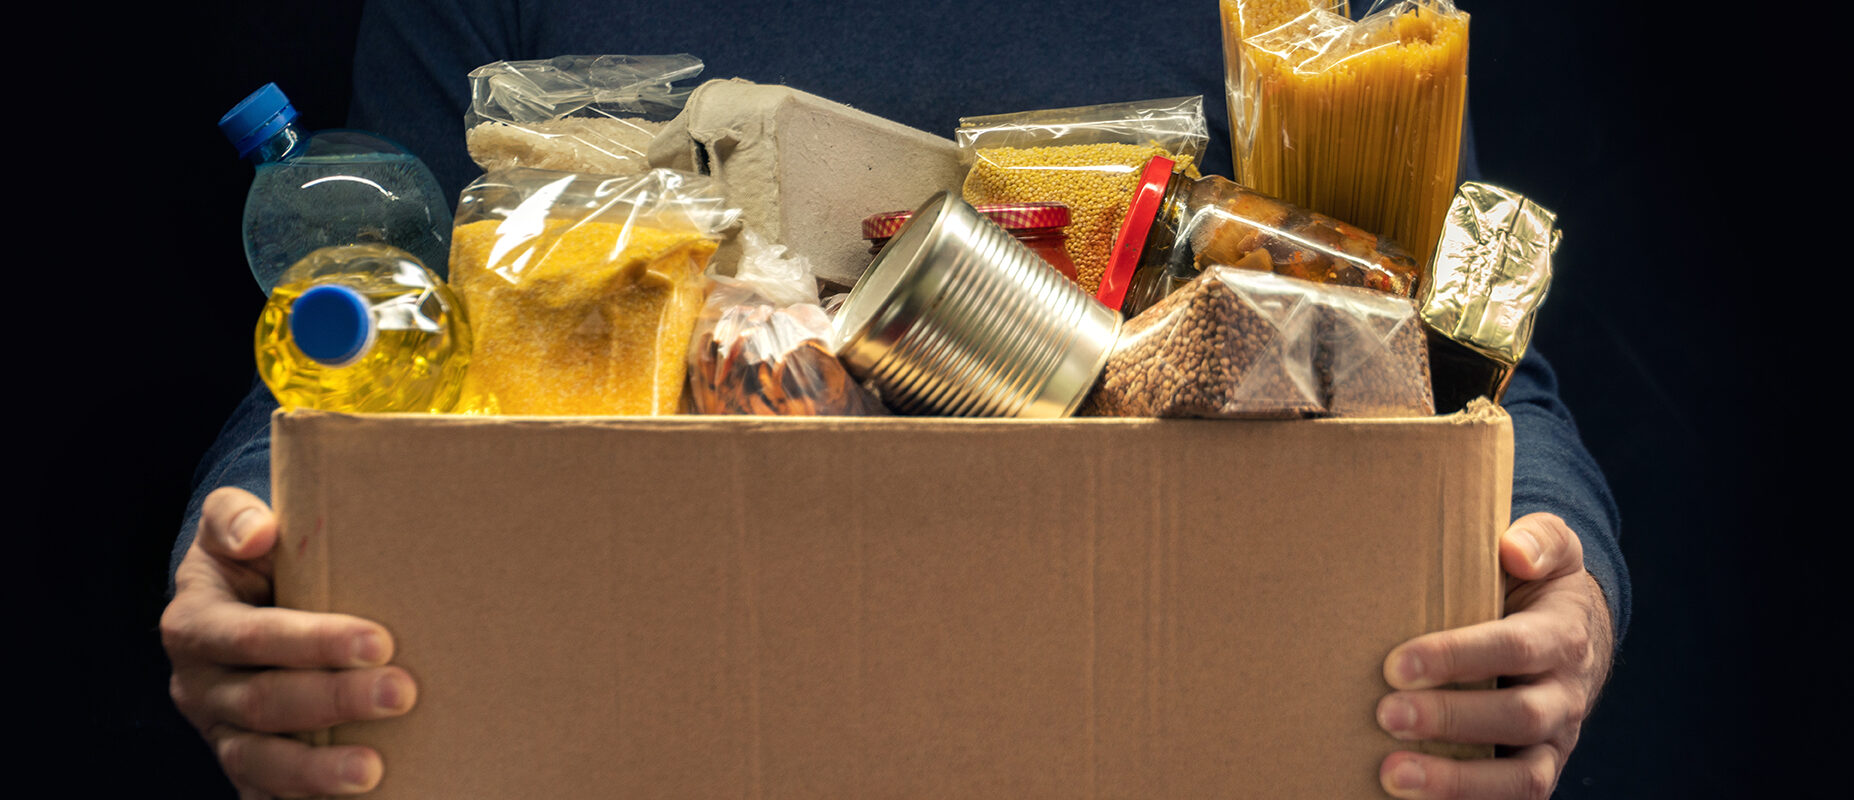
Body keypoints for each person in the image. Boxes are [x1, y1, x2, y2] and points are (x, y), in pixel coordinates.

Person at [163, 2, 1630, 798]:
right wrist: (251, 548)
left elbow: (1474, 375)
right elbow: (358, 329)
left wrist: (1557, 587)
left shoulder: (1322, 34)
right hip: (641, 733)